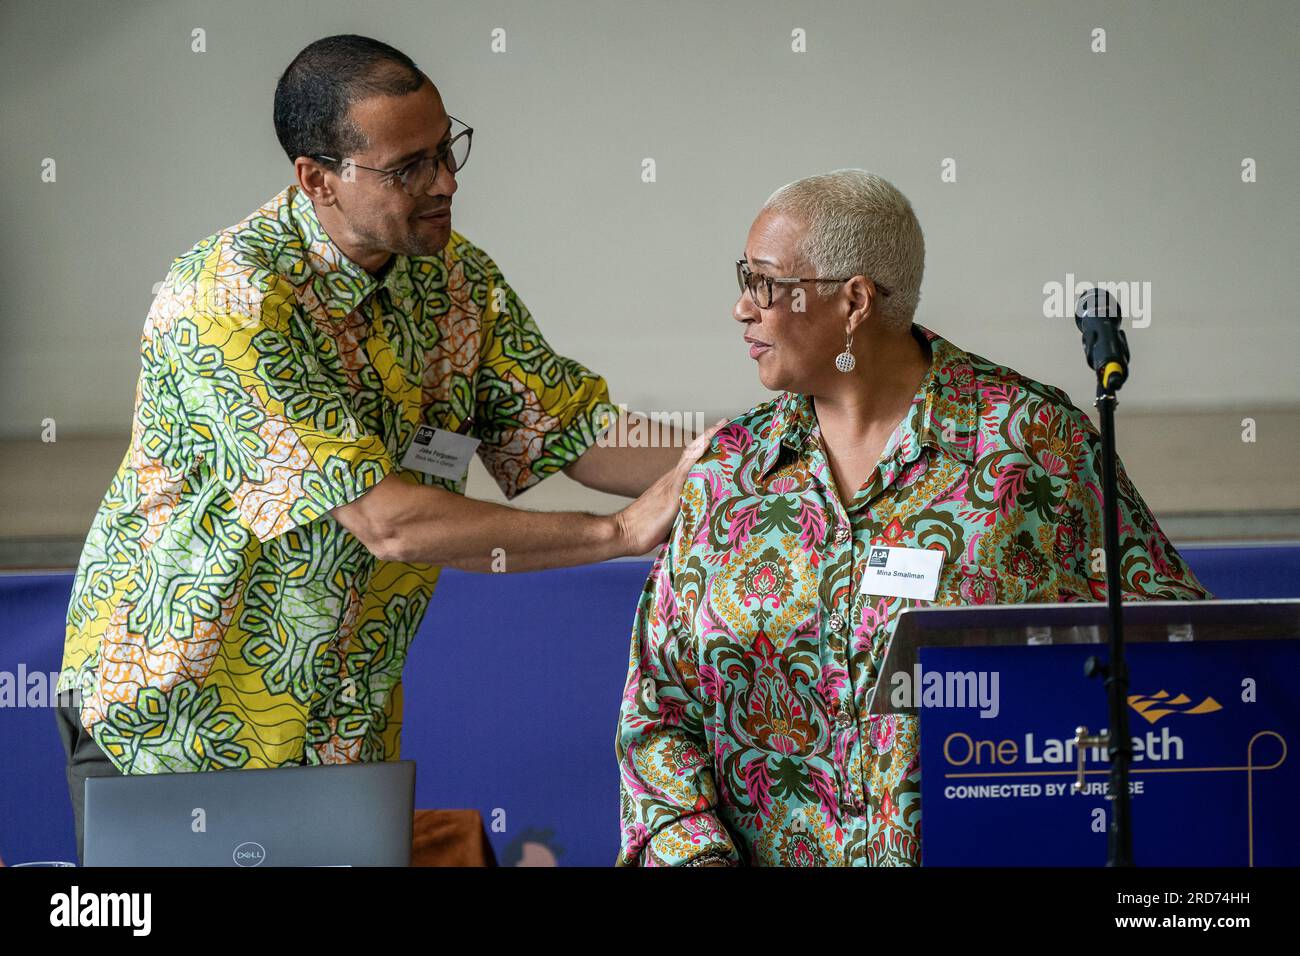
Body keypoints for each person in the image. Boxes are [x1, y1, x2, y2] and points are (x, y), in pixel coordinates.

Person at [56, 34, 721, 864]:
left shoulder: (454, 280)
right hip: (182, 721)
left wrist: (753, 455)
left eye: (447, 151)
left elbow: (578, 432)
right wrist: (617, 534)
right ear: (318, 178)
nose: (443, 182)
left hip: (343, 723)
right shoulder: (226, 298)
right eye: (408, 167)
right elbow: (388, 522)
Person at [615, 169, 1212, 867]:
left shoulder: (1033, 446)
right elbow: (657, 715)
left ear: (854, 301)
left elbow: (1176, 654)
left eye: (765, 283)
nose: (742, 308)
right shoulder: (730, 472)